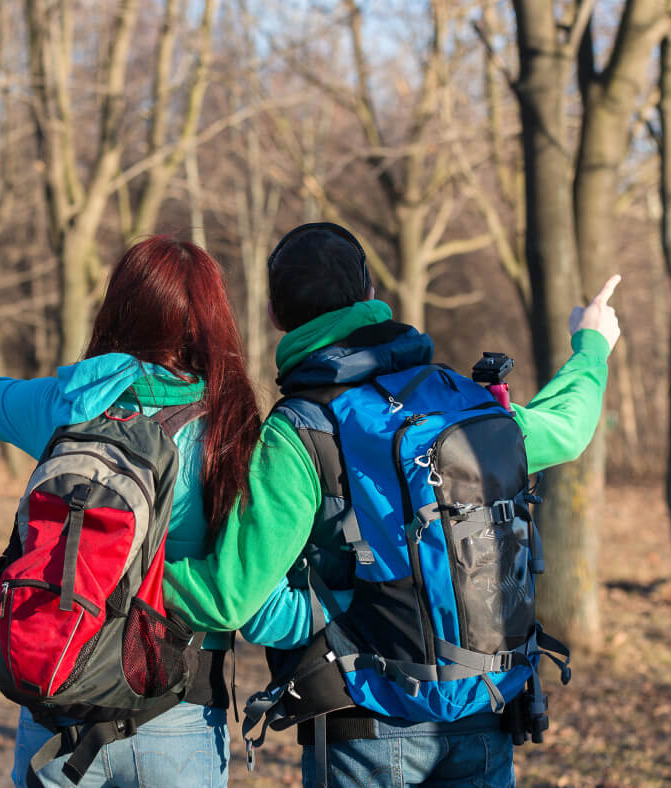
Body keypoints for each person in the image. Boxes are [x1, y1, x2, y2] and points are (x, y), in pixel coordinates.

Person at [161, 222, 622, 787]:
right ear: (371, 296)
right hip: (483, 705)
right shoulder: (460, 402)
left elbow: (229, 595)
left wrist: (124, 573)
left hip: (367, 721)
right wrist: (591, 343)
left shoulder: (302, 429)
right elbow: (567, 429)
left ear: (278, 318)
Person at [0, 236, 266, 788]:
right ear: (213, 321)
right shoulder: (231, 428)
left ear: (118, 308)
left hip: (61, 700)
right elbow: (245, 587)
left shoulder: (70, 402)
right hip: (177, 712)